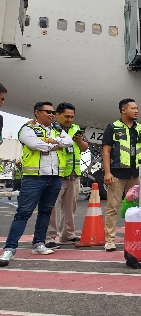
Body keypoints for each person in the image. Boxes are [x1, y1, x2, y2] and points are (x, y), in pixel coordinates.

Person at [0, 102, 73, 266]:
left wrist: (51, 141)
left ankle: (39, 243)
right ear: (37, 113)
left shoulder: (56, 129)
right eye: (47, 112)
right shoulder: (28, 128)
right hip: (34, 177)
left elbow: (68, 142)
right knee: (23, 213)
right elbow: (35, 144)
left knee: (46, 211)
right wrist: (53, 144)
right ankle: (10, 248)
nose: (51, 114)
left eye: (53, 112)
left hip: (54, 177)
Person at [102, 98, 141, 252]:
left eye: (137, 108)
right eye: (133, 108)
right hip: (117, 173)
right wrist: (107, 172)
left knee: (136, 207)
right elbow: (106, 150)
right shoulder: (113, 128)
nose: (136, 110)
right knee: (113, 207)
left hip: (136, 173)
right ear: (123, 110)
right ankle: (110, 240)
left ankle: (135, 236)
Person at [46, 103, 88, 249]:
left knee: (70, 207)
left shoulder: (76, 129)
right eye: (66, 116)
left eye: (72, 116)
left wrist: (79, 140)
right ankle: (49, 237)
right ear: (57, 115)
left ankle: (67, 234)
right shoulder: (51, 129)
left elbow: (84, 148)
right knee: (51, 207)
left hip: (73, 173)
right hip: (56, 174)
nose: (70, 119)